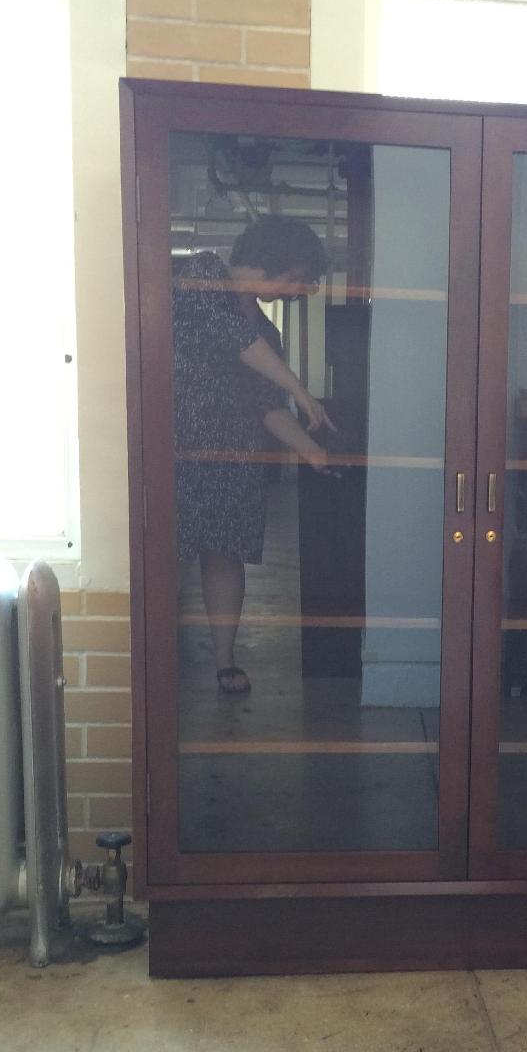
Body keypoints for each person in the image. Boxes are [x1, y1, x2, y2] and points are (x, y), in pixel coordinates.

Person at [173, 215, 334, 695]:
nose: (296, 291)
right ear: (278, 263)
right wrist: (300, 389)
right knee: (167, 557)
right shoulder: (203, 274)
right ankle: (156, 655)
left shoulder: (267, 332)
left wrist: (313, 452)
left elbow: (267, 407)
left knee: (225, 558)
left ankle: (224, 660)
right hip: (176, 451)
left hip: (235, 458)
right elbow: (231, 337)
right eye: (298, 279)